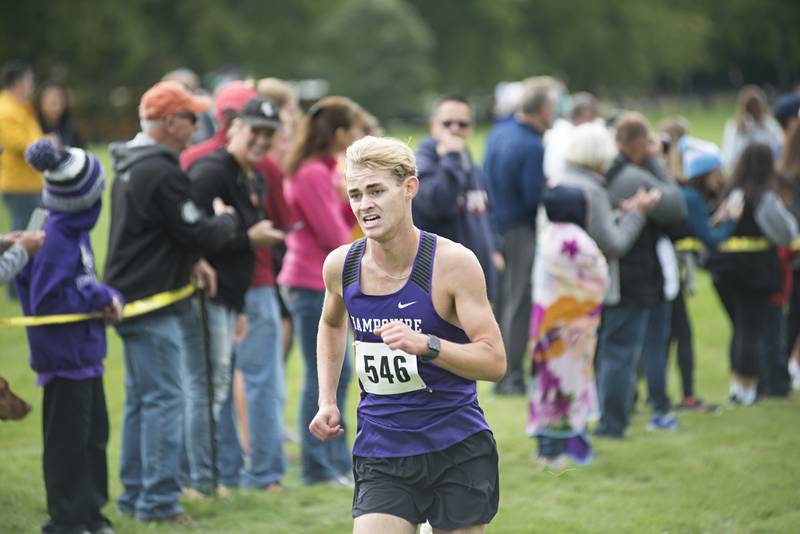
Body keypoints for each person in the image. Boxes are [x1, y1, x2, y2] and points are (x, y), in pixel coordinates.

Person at [309, 136, 505, 533]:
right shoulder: (341, 267)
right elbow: (331, 323)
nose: (365, 205)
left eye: (377, 191)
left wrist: (429, 346)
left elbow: (494, 361)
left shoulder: (453, 264)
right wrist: (327, 399)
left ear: (409, 187)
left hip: (457, 447)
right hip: (382, 449)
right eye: (356, 194)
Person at [104, 81, 241, 524]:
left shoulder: (131, 164)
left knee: (142, 401)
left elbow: (159, 234)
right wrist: (224, 221)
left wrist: (190, 260)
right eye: (191, 118)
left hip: (130, 300)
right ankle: (160, 504)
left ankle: (133, 498)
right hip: (153, 304)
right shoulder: (162, 170)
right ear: (169, 122)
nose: (198, 126)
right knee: (165, 400)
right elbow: (192, 230)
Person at [181, 96, 286, 495]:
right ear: (235, 128)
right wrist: (249, 236)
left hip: (231, 299)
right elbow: (190, 236)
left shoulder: (252, 176)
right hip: (205, 297)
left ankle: (211, 477)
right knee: (205, 388)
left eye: (269, 134)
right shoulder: (211, 172)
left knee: (216, 387)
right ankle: (199, 479)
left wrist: (240, 303)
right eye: (255, 130)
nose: (261, 140)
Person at [20, 140, 124, 534]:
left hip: (85, 355)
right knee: (67, 444)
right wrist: (100, 297)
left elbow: (83, 282)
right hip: (64, 361)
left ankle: (91, 512)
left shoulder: (74, 232)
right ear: (85, 199)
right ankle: (66, 519)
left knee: (94, 437)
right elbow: (49, 298)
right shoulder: (54, 238)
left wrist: (107, 297)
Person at [278, 96, 363, 486]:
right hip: (310, 281)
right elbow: (332, 234)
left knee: (338, 374)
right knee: (325, 376)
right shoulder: (313, 173)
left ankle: (336, 462)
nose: (359, 136)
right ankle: (318, 466)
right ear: (340, 133)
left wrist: (348, 197)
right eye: (354, 129)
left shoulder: (327, 169)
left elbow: (344, 219)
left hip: (324, 280)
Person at [594, 112, 687, 438]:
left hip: (620, 273)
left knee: (613, 347)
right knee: (622, 350)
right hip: (635, 274)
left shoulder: (608, 169)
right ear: (637, 143)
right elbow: (677, 204)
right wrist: (657, 162)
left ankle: (613, 415)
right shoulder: (632, 176)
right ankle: (613, 423)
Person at [707, 143, 798, 405]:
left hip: (724, 270)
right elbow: (786, 233)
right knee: (751, 330)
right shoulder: (764, 196)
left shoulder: (731, 193)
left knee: (739, 329)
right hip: (755, 270)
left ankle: (736, 385)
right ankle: (747, 389)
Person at [483, 78, 557, 395]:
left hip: (492, 224)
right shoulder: (531, 144)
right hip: (519, 228)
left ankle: (497, 369)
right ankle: (511, 377)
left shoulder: (499, 131)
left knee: (500, 301)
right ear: (542, 110)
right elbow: (531, 197)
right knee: (519, 300)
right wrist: (549, 189)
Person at [670, 136, 741, 410]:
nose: (720, 178)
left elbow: (698, 230)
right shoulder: (693, 199)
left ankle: (658, 397)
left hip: (668, 269)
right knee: (681, 335)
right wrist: (731, 219)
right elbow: (713, 241)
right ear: (705, 173)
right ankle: (686, 396)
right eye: (716, 172)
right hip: (670, 272)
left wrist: (716, 220)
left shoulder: (686, 195)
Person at [413, 94, 501, 300]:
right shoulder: (424, 160)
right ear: (433, 124)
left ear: (471, 127)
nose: (455, 129)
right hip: (443, 281)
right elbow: (438, 203)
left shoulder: (467, 159)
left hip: (477, 278)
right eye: (447, 123)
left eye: (462, 124)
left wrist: (496, 248)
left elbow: (485, 208)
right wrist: (450, 158)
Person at [0, 61, 45, 278]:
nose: (32, 86)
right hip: (18, 186)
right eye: (29, 81)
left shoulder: (22, 107)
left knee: (28, 236)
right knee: (23, 239)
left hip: (32, 182)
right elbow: (21, 145)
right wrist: (46, 144)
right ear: (17, 83)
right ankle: (17, 286)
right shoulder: (5, 110)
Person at [779, 121, 800, 391]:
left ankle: (787, 364)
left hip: (789, 255)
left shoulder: (783, 172)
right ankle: (791, 365)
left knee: (793, 313)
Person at [721, 85, 782, 171]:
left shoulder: (769, 125)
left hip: (764, 170)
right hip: (744, 172)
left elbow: (778, 149)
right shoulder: (734, 126)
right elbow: (729, 157)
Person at [544, 91, 599, 184]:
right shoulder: (575, 136)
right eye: (593, 118)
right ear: (587, 115)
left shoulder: (556, 130)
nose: (593, 123)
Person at [35, 82, 85, 148]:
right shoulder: (32, 124)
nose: (56, 107)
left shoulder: (71, 128)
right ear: (41, 102)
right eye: (52, 102)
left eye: (59, 101)